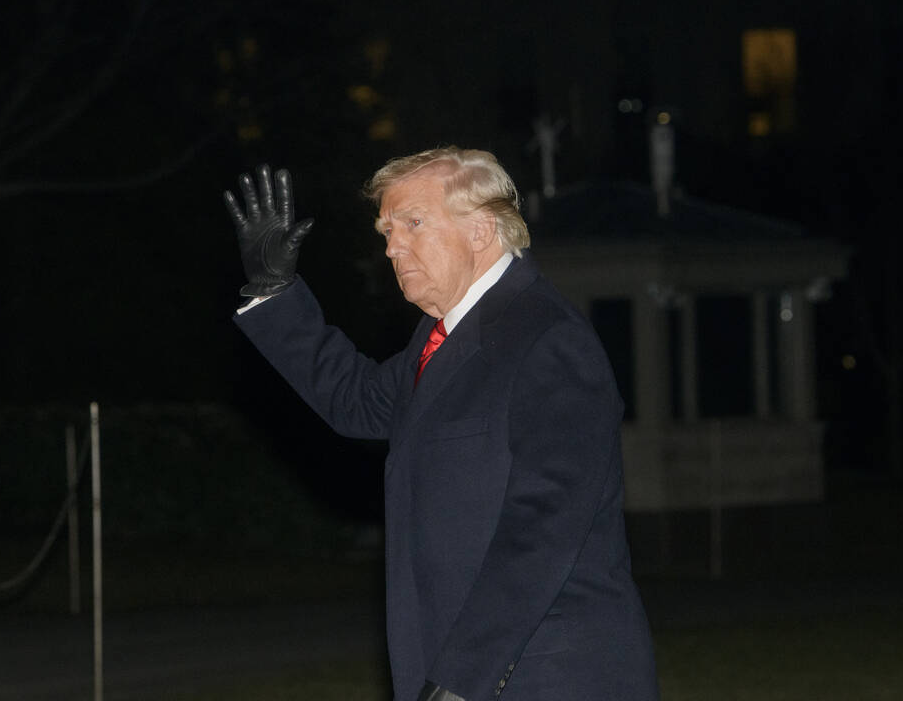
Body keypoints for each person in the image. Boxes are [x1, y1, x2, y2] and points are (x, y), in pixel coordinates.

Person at [223, 147, 659, 701]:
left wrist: (462, 678)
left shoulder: (547, 339)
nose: (392, 247)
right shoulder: (442, 340)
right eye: (386, 231)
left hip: (542, 676)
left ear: (480, 231)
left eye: (413, 223)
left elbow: (542, 530)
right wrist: (275, 292)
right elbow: (357, 401)